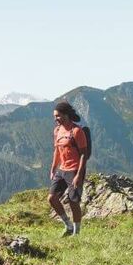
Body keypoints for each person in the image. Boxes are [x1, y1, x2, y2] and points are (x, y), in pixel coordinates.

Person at [48, 101, 89, 236]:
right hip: (62, 169)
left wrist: (78, 175)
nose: (56, 119)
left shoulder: (77, 131)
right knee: (52, 198)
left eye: (58, 116)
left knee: (73, 201)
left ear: (66, 115)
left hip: (74, 170)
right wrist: (53, 168)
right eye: (55, 116)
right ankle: (68, 225)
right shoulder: (57, 131)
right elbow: (57, 151)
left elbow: (84, 154)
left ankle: (76, 233)